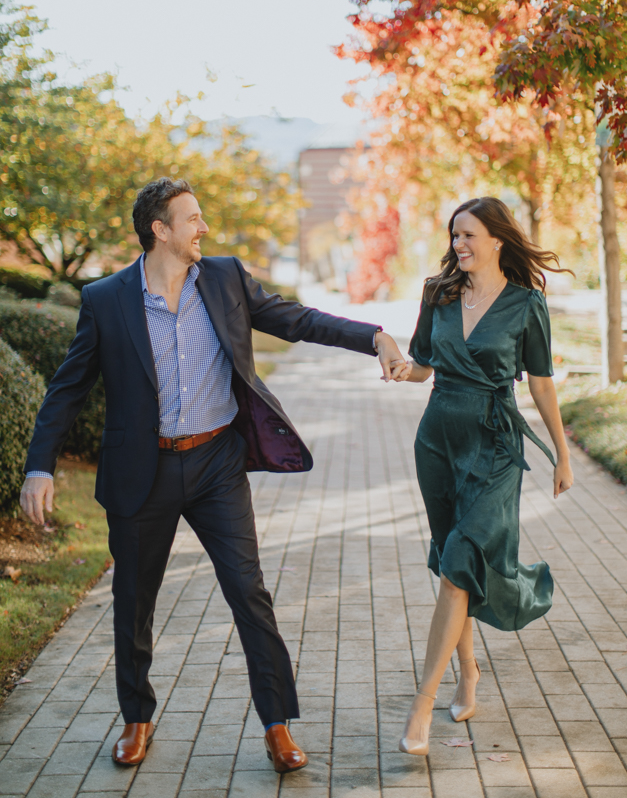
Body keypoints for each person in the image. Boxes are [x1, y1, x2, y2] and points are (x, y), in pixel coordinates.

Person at [20, 177, 407, 773]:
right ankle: (136, 717)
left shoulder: (224, 278)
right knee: (133, 600)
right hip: (141, 471)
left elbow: (295, 319)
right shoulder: (106, 299)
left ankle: (277, 726)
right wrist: (40, 466)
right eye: (192, 218)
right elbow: (67, 389)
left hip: (216, 464)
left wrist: (373, 336)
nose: (203, 228)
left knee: (249, 593)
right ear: (160, 229)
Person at [392, 197, 574, 756]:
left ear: (498, 239)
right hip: (438, 440)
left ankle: (421, 705)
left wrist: (562, 455)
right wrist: (403, 368)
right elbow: (425, 361)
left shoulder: (526, 305)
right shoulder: (439, 293)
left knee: (462, 559)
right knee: (453, 558)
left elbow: (540, 383)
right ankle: (467, 672)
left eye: (469, 235)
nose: (459, 245)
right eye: (454, 236)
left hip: (495, 443)